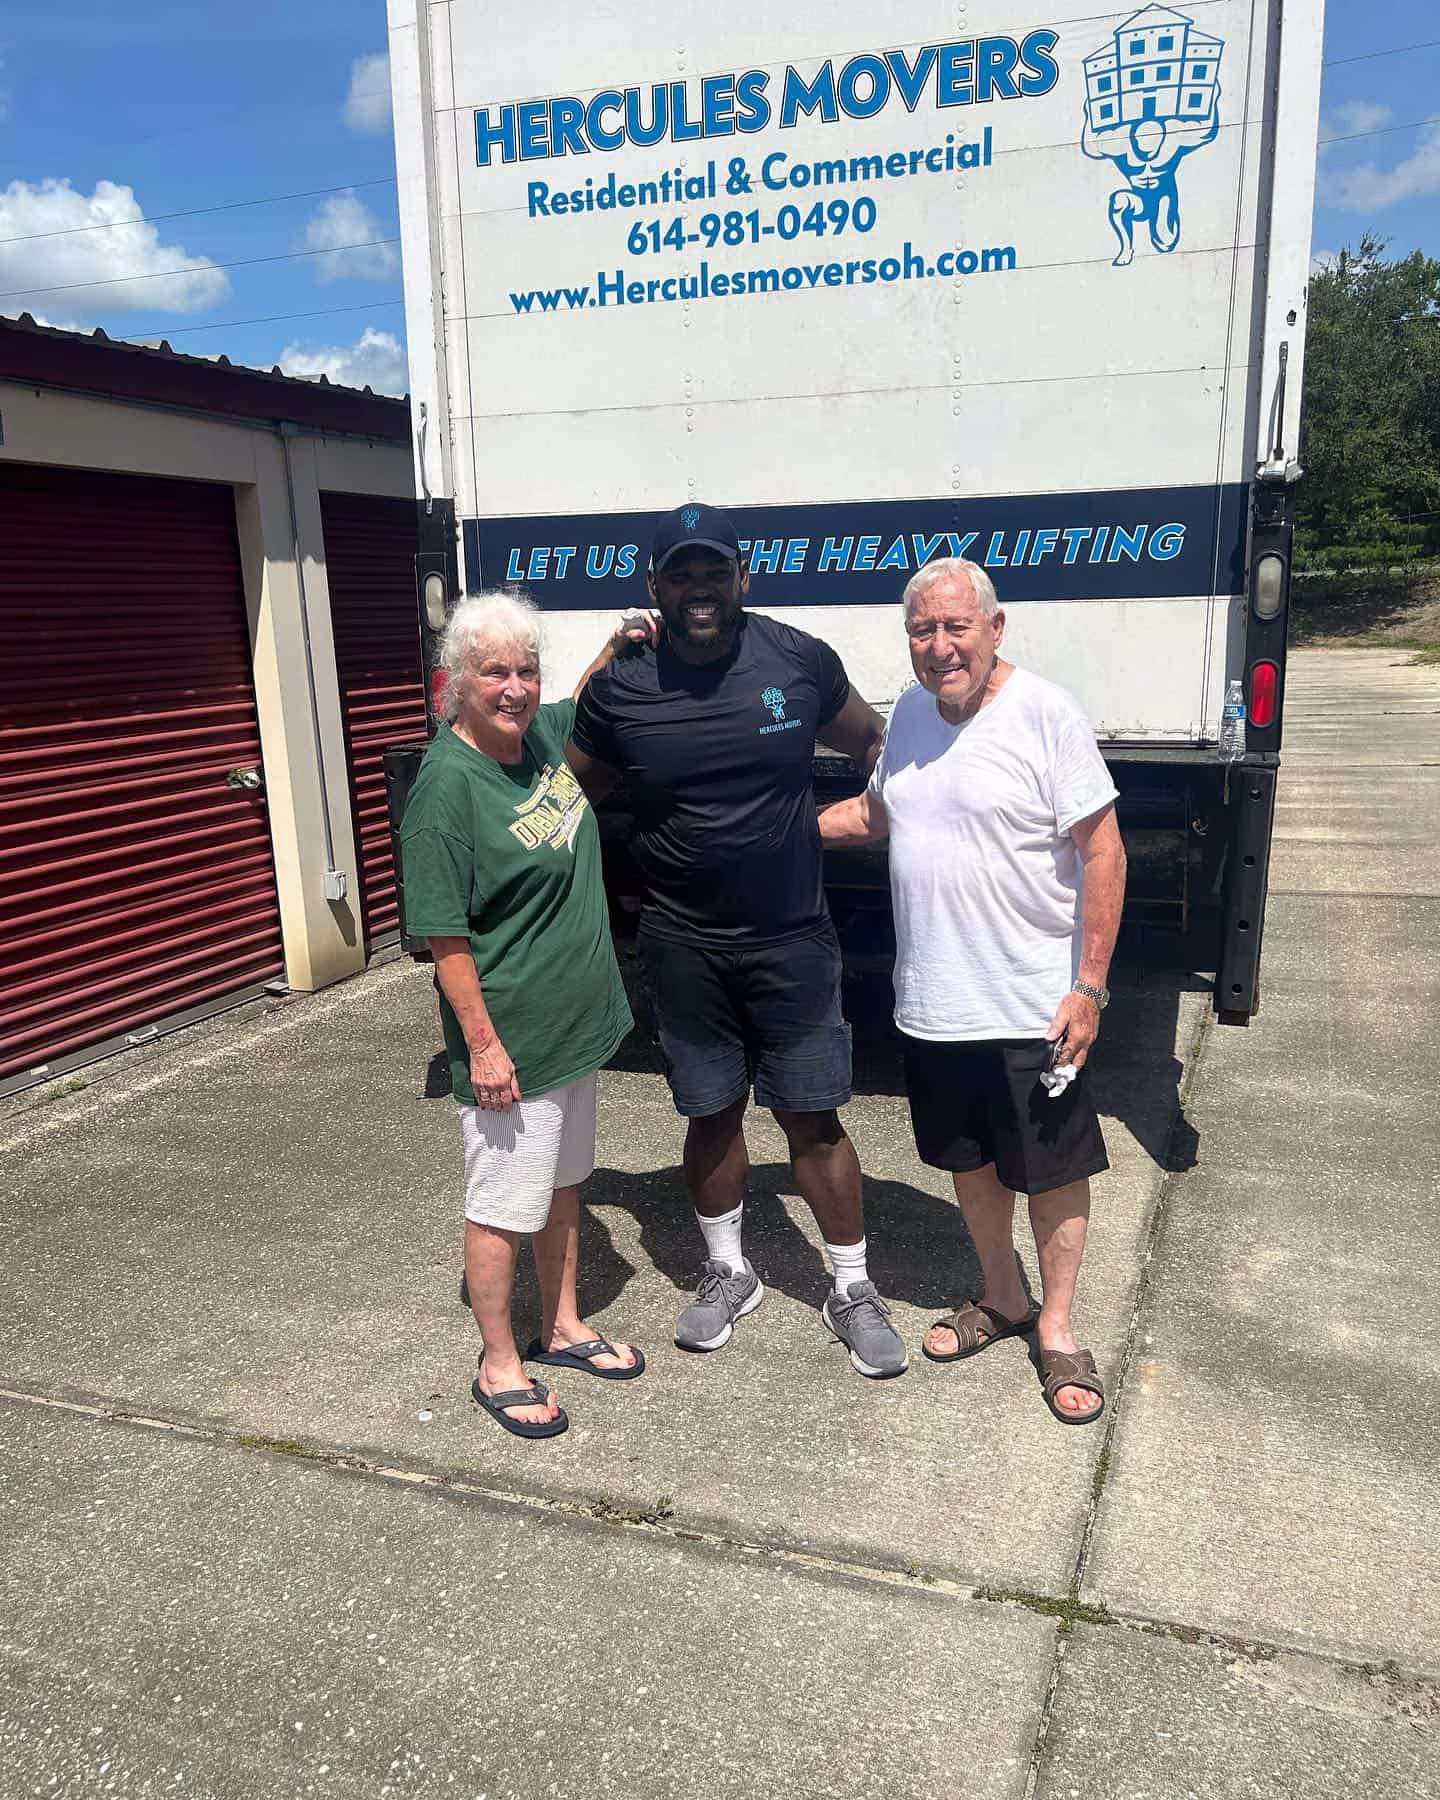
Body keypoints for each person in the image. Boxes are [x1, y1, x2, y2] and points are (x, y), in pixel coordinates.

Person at [566, 503, 909, 1379]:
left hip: (792, 938)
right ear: (655, 588)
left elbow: (875, 742)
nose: (698, 589)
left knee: (813, 1119)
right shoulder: (624, 687)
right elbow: (569, 791)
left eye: (712, 571)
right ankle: (730, 1272)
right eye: (680, 575)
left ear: (742, 577)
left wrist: (837, 824)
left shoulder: (796, 661)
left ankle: (851, 1287)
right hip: (682, 942)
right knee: (710, 1113)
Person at [818, 558, 1127, 1422]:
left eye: (957, 627)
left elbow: (1104, 849)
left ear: (996, 630)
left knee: (1054, 1170)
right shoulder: (912, 714)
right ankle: (1003, 1296)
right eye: (923, 630)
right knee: (970, 1163)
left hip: (1035, 1005)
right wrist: (780, 834)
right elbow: (882, 815)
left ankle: (1059, 1329)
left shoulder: (1045, 713)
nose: (940, 646)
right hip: (936, 1005)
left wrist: (1090, 988)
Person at [400, 592, 646, 1439]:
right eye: (494, 671)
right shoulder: (446, 789)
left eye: (525, 668)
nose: (514, 686)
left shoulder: (535, 736)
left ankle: (565, 1324)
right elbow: (442, 932)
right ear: (455, 681)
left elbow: (585, 693)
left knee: (562, 1185)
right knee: (503, 1203)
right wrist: (483, 1048)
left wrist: (615, 647)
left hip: (575, 1034)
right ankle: (499, 1361)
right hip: (514, 1044)